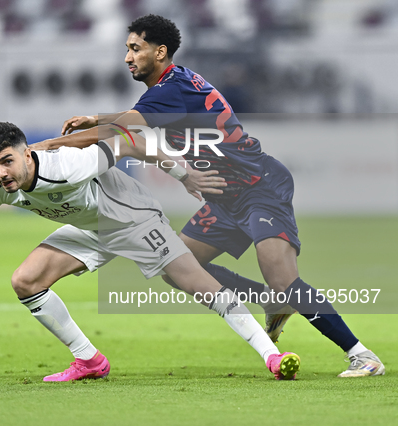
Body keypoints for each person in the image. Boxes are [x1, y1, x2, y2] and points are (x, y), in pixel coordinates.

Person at [33, 14, 384, 378]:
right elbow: (129, 120)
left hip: (259, 187)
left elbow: (119, 130)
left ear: (160, 51)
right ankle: (270, 301)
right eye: (127, 49)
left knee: (284, 279)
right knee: (180, 266)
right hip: (226, 197)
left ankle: (362, 355)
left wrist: (47, 146)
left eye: (135, 48)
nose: (128, 57)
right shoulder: (173, 84)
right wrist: (94, 118)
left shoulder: (170, 89)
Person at [0, 121, 301, 382]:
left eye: (7, 161)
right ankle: (90, 361)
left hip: (133, 219)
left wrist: (184, 175)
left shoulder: (69, 165)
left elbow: (131, 140)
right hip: (92, 228)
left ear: (26, 155)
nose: (1, 172)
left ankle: (271, 355)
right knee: (26, 280)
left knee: (197, 285)